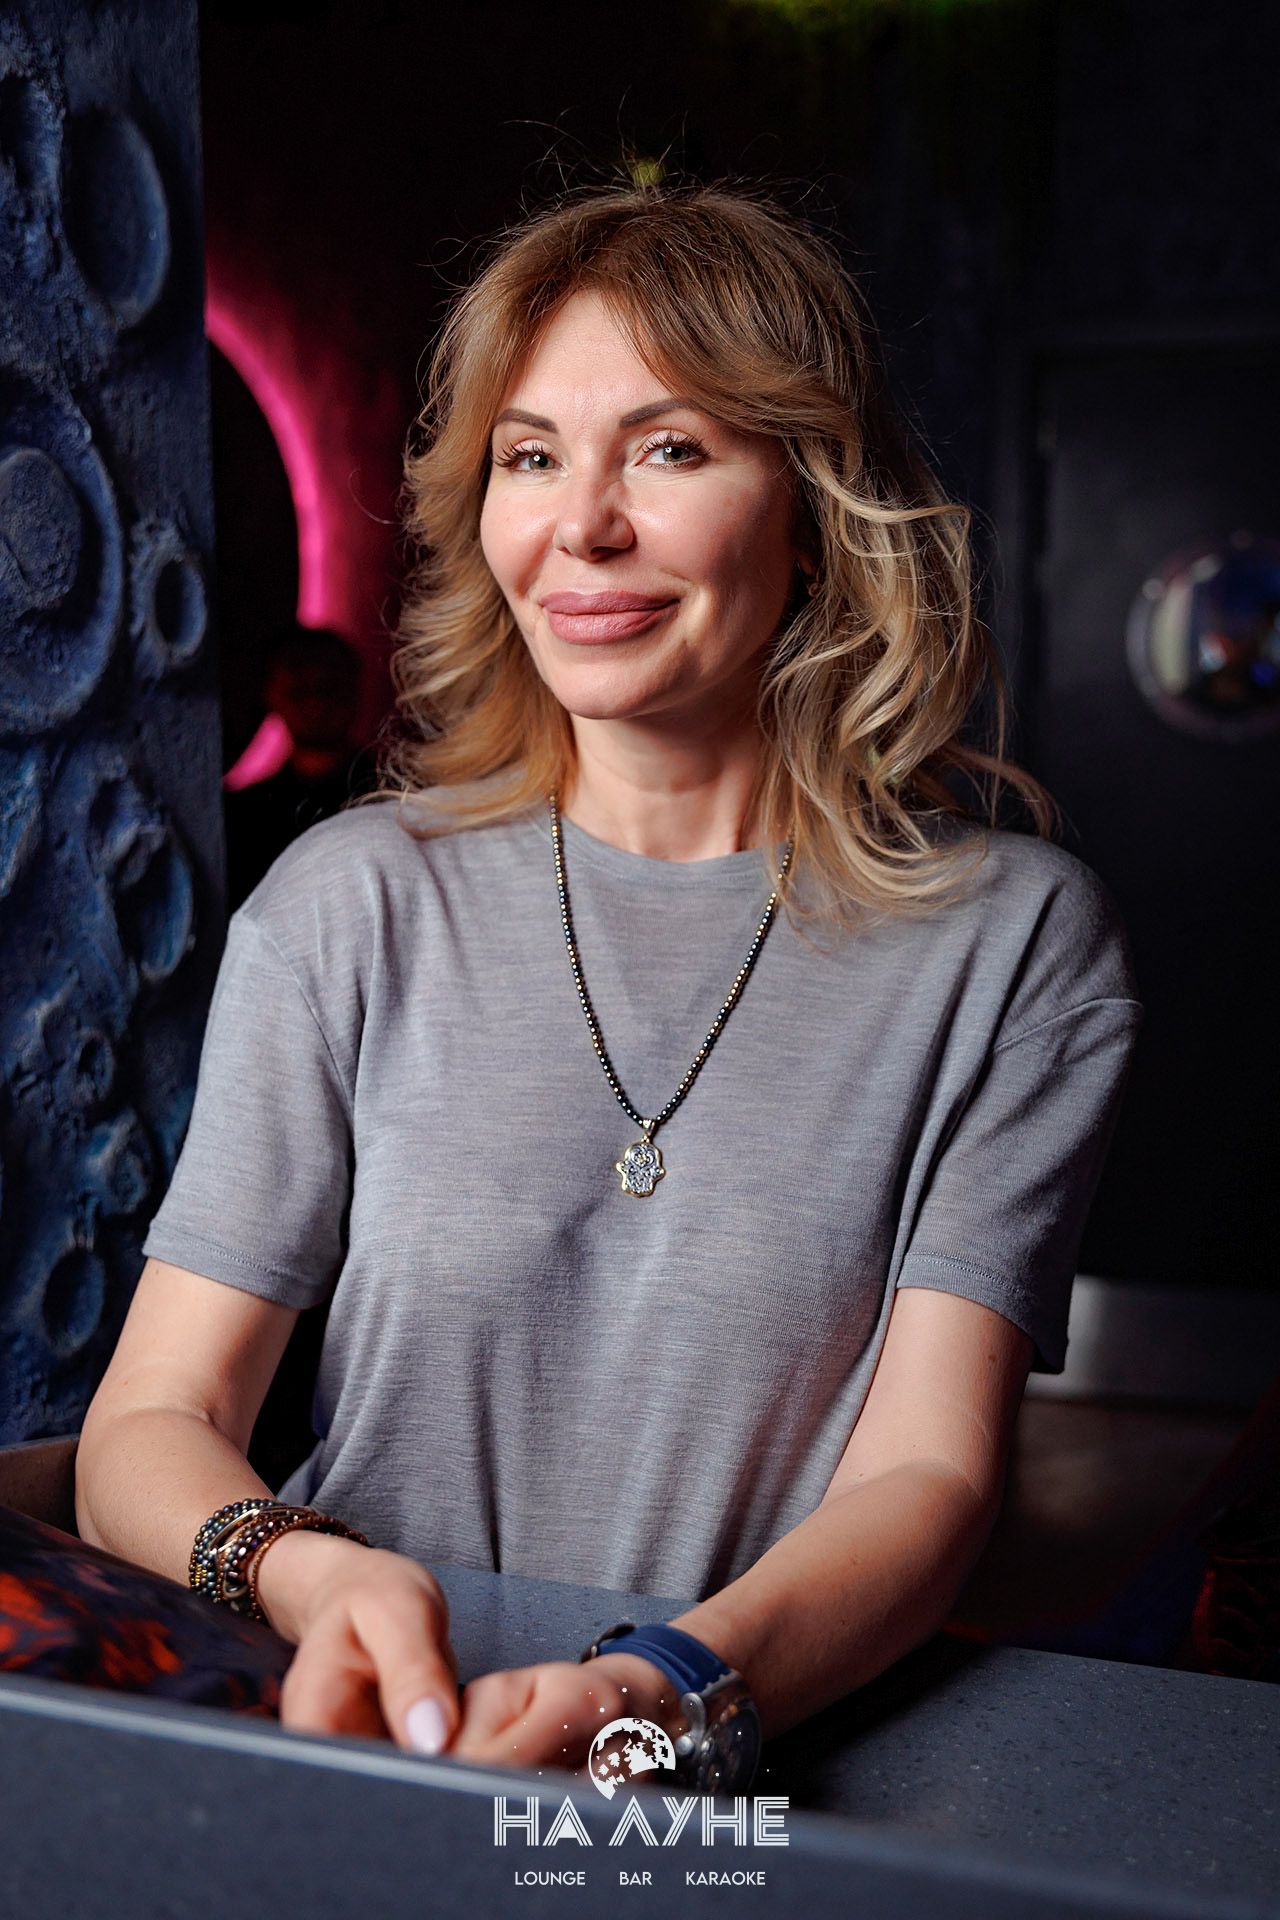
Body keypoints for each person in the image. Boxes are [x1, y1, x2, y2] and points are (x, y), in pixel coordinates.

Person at [75, 183, 1141, 1782]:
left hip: (746, 1764)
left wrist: (661, 1695)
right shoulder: (352, 904)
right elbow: (147, 1425)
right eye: (530, 457)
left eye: (670, 449)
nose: (582, 526)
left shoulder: (1015, 951)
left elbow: (926, 1479)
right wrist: (316, 1574)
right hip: (358, 1741)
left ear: (814, 509)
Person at [223, 625, 377, 912]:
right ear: (271, 694)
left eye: (329, 686)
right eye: (300, 689)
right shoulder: (241, 816)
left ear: (355, 691)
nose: (316, 700)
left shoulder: (400, 801)